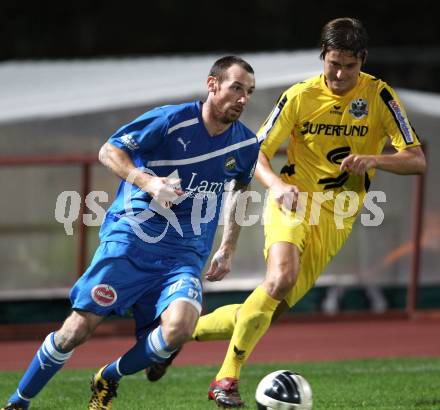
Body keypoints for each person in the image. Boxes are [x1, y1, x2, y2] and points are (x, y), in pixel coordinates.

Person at [147, 17, 427, 408]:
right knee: (279, 278)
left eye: (350, 65)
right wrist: (277, 186)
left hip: (339, 214)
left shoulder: (380, 97)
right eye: (333, 63)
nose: (341, 73)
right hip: (292, 201)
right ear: (323, 58)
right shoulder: (299, 96)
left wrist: (374, 159)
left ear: (362, 61)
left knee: (266, 309)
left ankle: (170, 336)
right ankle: (226, 379)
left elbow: (416, 161)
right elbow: (253, 153)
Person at [1, 55, 258, 410]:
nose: (243, 99)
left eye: (249, 92)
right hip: (132, 242)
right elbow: (110, 151)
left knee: (180, 327)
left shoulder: (245, 144)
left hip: (185, 254)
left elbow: (241, 189)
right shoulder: (170, 121)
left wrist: (227, 246)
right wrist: (148, 182)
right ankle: (19, 401)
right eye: (236, 88)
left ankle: (109, 376)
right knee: (76, 330)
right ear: (212, 85)